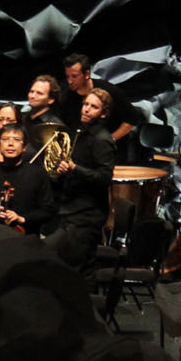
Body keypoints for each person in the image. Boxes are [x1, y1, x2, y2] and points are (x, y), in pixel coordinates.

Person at [48, 86, 117, 268]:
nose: (86, 109)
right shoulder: (80, 134)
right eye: (86, 104)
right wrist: (63, 170)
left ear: (103, 114)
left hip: (87, 216)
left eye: (94, 107)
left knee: (79, 268)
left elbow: (104, 177)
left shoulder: (102, 140)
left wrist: (74, 168)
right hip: (71, 211)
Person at [0, 124, 54, 234]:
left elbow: (48, 210)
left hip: (27, 236)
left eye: (16, 139)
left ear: (24, 147)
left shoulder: (37, 173)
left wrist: (22, 219)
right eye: (5, 139)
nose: (10, 143)